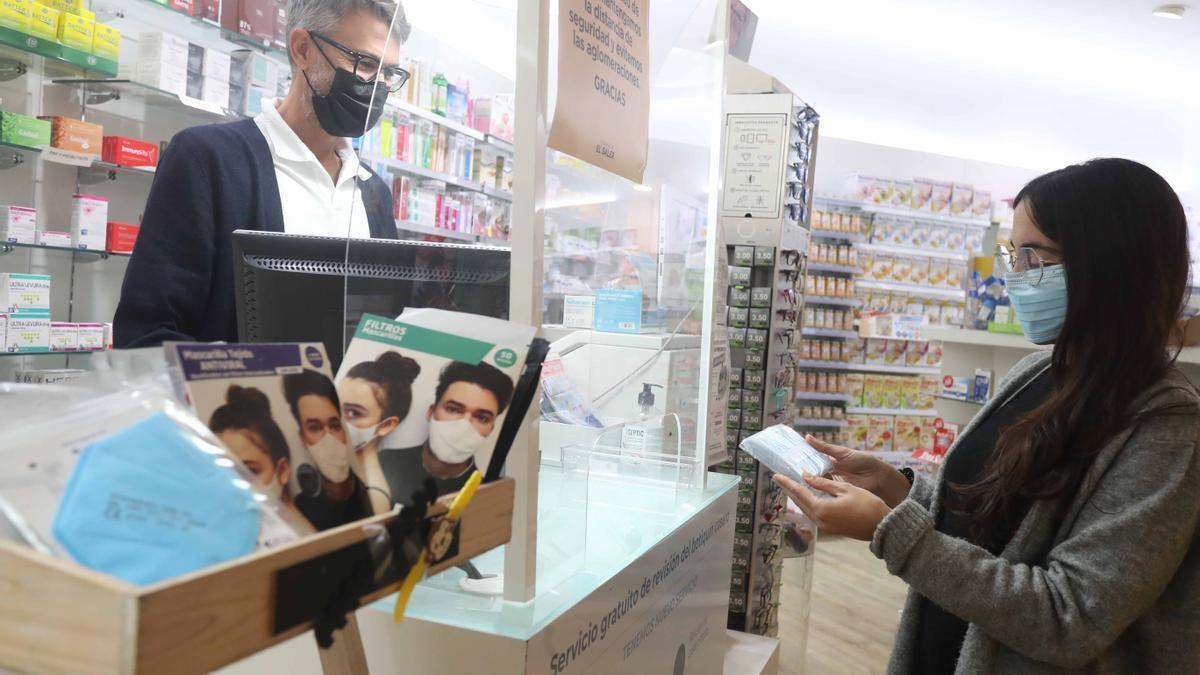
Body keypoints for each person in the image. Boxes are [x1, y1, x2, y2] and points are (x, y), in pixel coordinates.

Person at [774, 158, 1200, 673]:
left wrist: (893, 531)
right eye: (1011, 255)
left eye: (1031, 256)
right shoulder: (1038, 372)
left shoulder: (1167, 426)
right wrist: (897, 488)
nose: (1013, 275)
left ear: (1108, 264)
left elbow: (1069, 616)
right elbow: (985, 519)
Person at [113, 0, 412, 347]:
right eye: (365, 64)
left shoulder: (374, 193)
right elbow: (145, 336)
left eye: (389, 73)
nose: (378, 86)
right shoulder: (208, 160)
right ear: (303, 49)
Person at [380, 360, 514, 505]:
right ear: (431, 412)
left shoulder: (485, 496)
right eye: (453, 409)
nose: (464, 426)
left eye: (481, 417)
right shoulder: (384, 462)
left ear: (491, 429)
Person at [209, 385, 317, 535]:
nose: (235, 485)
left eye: (250, 471)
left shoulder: (304, 538)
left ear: (282, 471)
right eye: (224, 472)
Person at [282, 369, 374, 530]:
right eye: (315, 428)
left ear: (344, 430)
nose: (329, 438)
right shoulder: (302, 508)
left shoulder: (372, 492)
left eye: (334, 425)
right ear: (303, 438)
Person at [337, 352, 421, 514]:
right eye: (334, 403)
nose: (336, 419)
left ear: (386, 425)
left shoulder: (373, 499)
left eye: (353, 412)